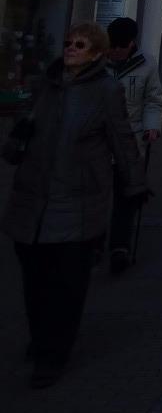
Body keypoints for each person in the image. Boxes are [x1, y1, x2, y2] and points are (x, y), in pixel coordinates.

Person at [2, 21, 145, 386]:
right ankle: (40, 338)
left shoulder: (105, 91)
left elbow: (122, 139)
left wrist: (135, 185)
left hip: (79, 202)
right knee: (34, 281)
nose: (71, 49)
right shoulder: (44, 87)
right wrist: (16, 139)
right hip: (32, 201)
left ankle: (54, 353)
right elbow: (22, 127)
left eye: (80, 45)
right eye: (68, 43)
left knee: (67, 284)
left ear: (97, 53)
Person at [106, 16, 162, 272]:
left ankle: (120, 247)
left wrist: (153, 126)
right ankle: (92, 243)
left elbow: (153, 99)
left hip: (131, 141)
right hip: (97, 141)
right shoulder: (96, 63)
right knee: (94, 195)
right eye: (112, 45)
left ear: (132, 43)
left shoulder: (146, 64)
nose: (116, 50)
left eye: (121, 45)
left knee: (126, 195)